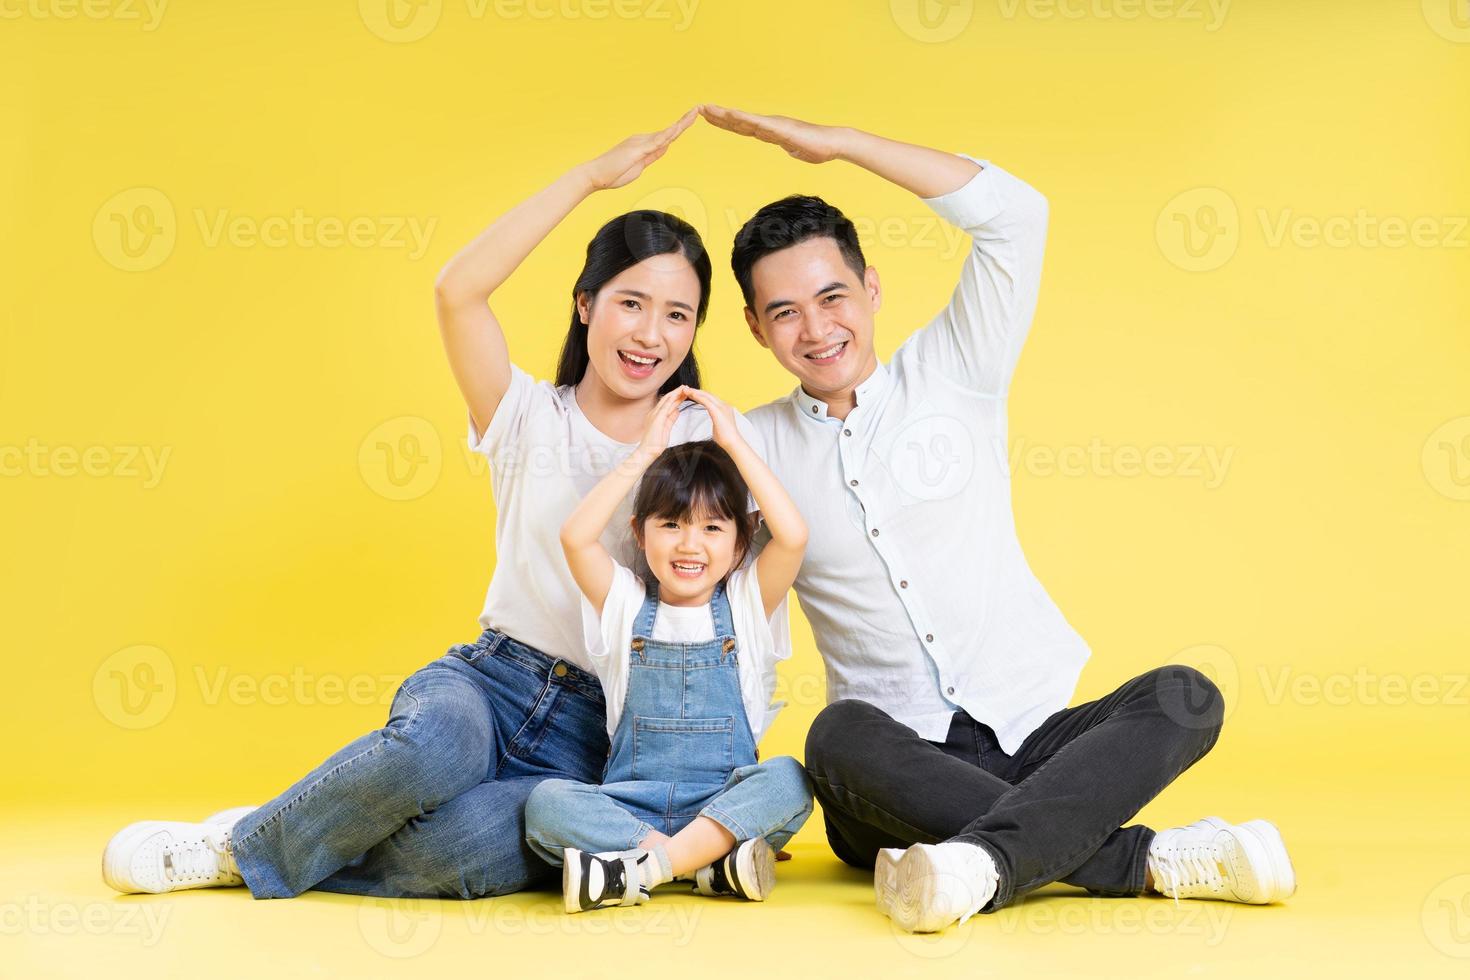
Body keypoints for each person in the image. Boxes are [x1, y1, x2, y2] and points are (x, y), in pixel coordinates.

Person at [98, 110, 778, 901]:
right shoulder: (526, 413)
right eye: (630, 303)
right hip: (493, 679)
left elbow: (757, 585)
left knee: (459, 855)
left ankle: (295, 822)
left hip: (605, 738)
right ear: (586, 304)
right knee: (434, 753)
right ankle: (235, 849)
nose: (650, 334)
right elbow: (457, 289)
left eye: (677, 314)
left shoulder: (707, 437)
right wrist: (590, 177)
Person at [702, 104, 1297, 932]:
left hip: (1037, 730)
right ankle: (1147, 857)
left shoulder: (955, 370)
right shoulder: (748, 445)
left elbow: (1018, 215)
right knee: (834, 735)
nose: (817, 329)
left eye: (832, 296)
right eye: (785, 312)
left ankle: (975, 863)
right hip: (891, 770)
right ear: (755, 328)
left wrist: (842, 146)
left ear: (872, 289)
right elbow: (638, 476)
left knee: (1186, 696)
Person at [523, 386, 813, 913]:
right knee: (545, 805)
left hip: (724, 806)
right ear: (640, 532)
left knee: (790, 778)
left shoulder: (747, 605)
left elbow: (791, 536)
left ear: (740, 541)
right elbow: (575, 537)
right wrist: (645, 452)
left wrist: (732, 442)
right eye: (671, 524)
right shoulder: (624, 605)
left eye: (711, 527)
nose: (689, 544)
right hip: (630, 809)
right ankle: (705, 865)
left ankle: (648, 870)